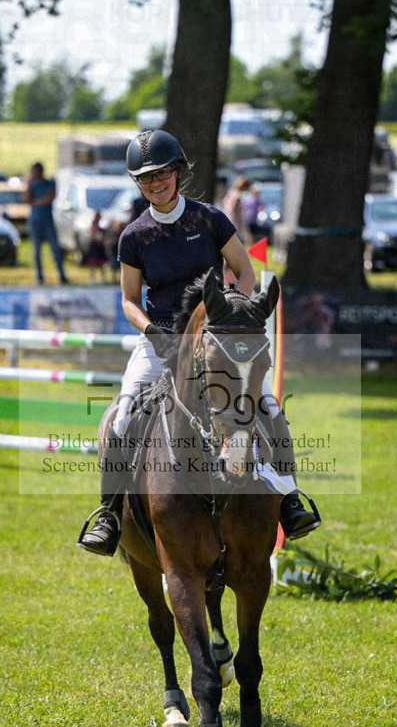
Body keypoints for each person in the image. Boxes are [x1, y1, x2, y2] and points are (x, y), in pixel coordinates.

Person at [78, 129, 318, 557]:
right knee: (123, 412)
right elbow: (130, 301)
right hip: (161, 340)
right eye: (145, 178)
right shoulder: (133, 236)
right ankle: (109, 514)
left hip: (217, 337)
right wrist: (154, 332)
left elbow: (245, 272)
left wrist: (233, 313)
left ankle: (290, 499)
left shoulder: (209, 219)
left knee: (268, 405)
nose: (155, 183)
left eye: (162, 174)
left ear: (178, 172)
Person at [23, 162, 69, 285]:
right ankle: (39, 276)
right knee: (36, 250)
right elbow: (26, 200)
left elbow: (49, 198)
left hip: (47, 221)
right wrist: (28, 183)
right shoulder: (32, 185)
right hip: (35, 222)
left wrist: (35, 201)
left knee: (55, 248)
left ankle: (62, 275)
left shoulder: (50, 183)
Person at [85, 210, 108, 284]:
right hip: (94, 245)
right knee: (93, 263)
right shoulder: (92, 226)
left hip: (99, 246)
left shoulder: (101, 227)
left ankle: (103, 278)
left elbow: (104, 235)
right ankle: (92, 278)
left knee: (101, 263)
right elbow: (91, 235)